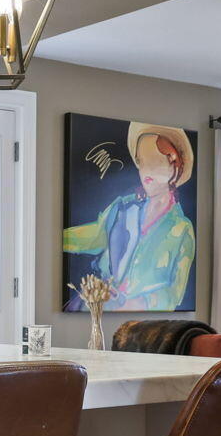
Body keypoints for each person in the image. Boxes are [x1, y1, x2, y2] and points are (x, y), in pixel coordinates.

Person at [62, 122, 197, 311]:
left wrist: (138, 304)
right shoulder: (122, 207)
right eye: (142, 162)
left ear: (176, 166)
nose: (146, 171)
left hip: (142, 322)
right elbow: (93, 236)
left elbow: (174, 294)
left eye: (155, 161)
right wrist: (51, 238)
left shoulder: (182, 229)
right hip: (94, 308)